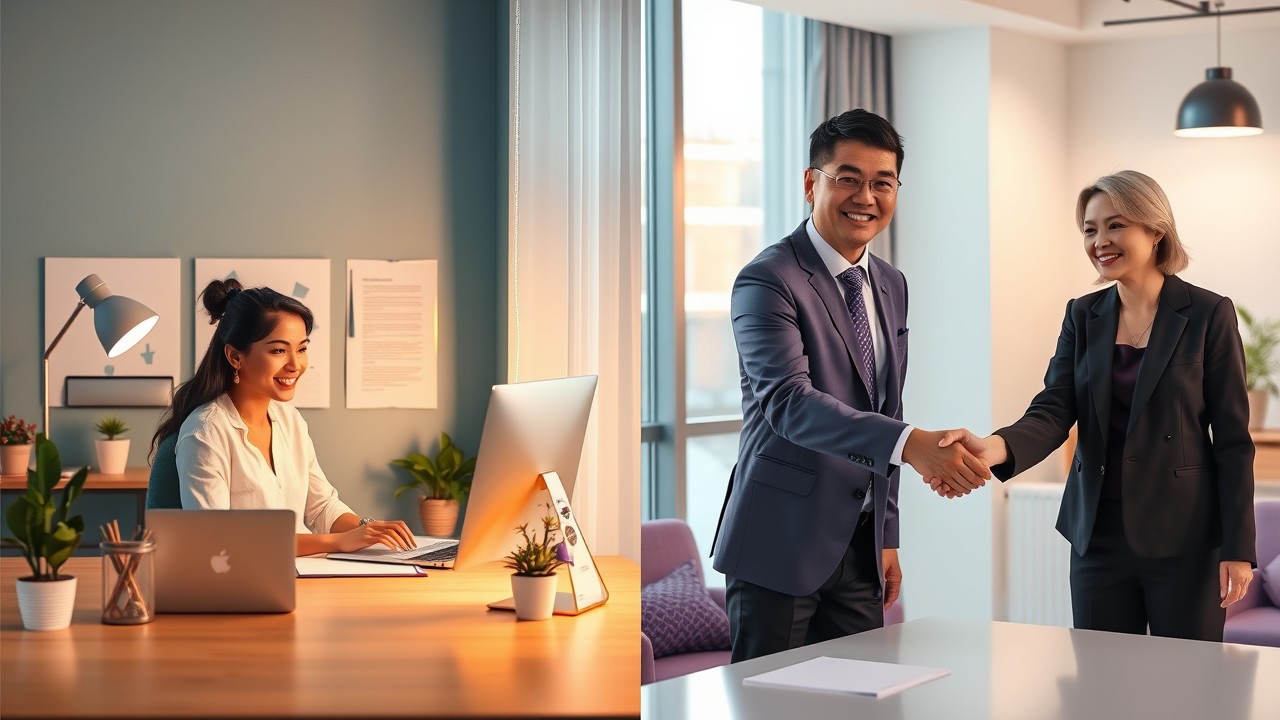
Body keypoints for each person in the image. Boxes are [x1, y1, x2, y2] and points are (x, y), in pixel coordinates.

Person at [711, 109, 990, 663]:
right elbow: (790, 404)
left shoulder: (890, 283)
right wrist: (912, 444)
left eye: (882, 182)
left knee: (861, 704)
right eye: (848, 178)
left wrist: (887, 534)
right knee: (775, 709)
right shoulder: (768, 279)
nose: (866, 196)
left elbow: (886, 402)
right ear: (812, 183)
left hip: (858, 548)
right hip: (778, 544)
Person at [936, 170, 1256, 641]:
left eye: (1115, 225)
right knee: (1100, 683)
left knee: (1189, 688)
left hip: (1185, 538)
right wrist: (991, 447)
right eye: (1089, 229)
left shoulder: (1208, 313)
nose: (1099, 240)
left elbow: (1232, 441)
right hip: (1098, 538)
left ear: (1155, 230)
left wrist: (1238, 548)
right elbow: (1052, 410)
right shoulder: (1083, 315)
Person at [151, 279, 416, 557]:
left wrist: (369, 530)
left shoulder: (290, 420)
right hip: (244, 588)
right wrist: (338, 542)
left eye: (301, 348)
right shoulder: (205, 433)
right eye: (278, 350)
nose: (295, 365)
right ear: (235, 357)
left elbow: (322, 506)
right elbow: (219, 540)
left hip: (306, 574)